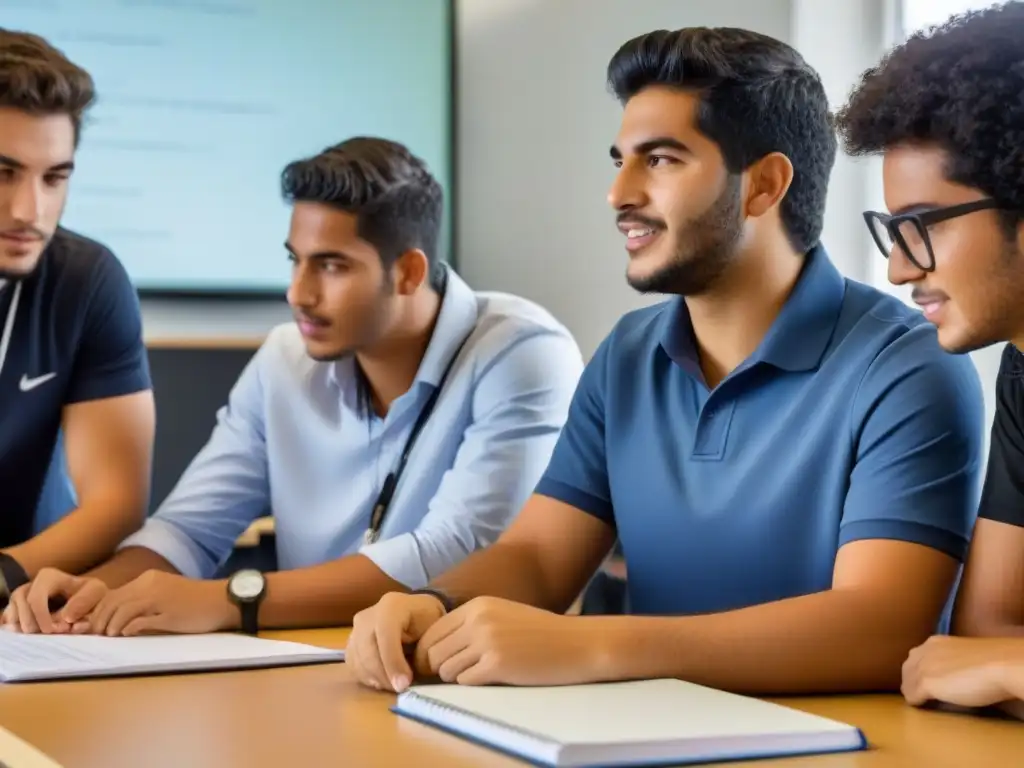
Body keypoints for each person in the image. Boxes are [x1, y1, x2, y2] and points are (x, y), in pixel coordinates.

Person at [346, 26, 985, 696]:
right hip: (642, 738)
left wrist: (593, 646)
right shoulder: (625, 355)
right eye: (620, 160)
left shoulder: (909, 368)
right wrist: (433, 605)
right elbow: (537, 558)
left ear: (763, 185)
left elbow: (879, 630)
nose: (618, 193)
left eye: (661, 160)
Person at [2, 136, 583, 636]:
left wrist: (231, 601)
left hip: (456, 683)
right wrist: (89, 595)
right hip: (313, 672)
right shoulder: (285, 359)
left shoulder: (521, 351)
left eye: (331, 266)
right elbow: (186, 531)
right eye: (295, 261)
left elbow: (449, 553)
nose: (298, 294)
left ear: (407, 271)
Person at [835, 1, 1024, 717]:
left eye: (920, 228)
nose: (898, 272)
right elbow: (981, 641)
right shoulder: (1023, 375)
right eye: (892, 232)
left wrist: (1009, 665)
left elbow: (999, 659)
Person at [0, 29, 154, 603]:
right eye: (4, 172)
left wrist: (4, 576)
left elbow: (116, 503)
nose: (29, 211)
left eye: (54, 177)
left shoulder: (88, 281)